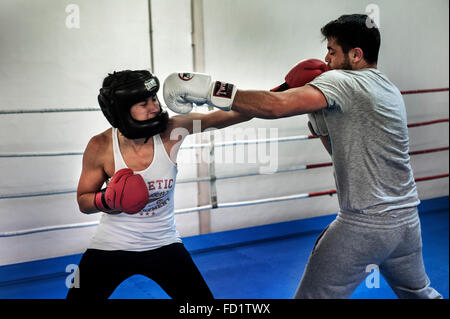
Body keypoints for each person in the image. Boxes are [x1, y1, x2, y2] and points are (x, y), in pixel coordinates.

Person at [163, 14, 442, 299]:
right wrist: (319, 115)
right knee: (419, 294)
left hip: (364, 225)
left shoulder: (343, 81)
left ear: (356, 55)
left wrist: (207, 89)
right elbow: (338, 151)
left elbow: (274, 106)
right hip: (406, 221)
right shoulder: (387, 88)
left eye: (332, 51)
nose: (326, 58)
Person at [66, 69, 252, 301]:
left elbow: (234, 115)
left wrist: (282, 92)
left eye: (154, 98)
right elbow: (84, 200)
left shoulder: (172, 131)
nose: (154, 107)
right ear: (122, 111)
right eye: (144, 104)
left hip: (164, 243)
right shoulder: (100, 146)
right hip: (110, 245)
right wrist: (107, 199)